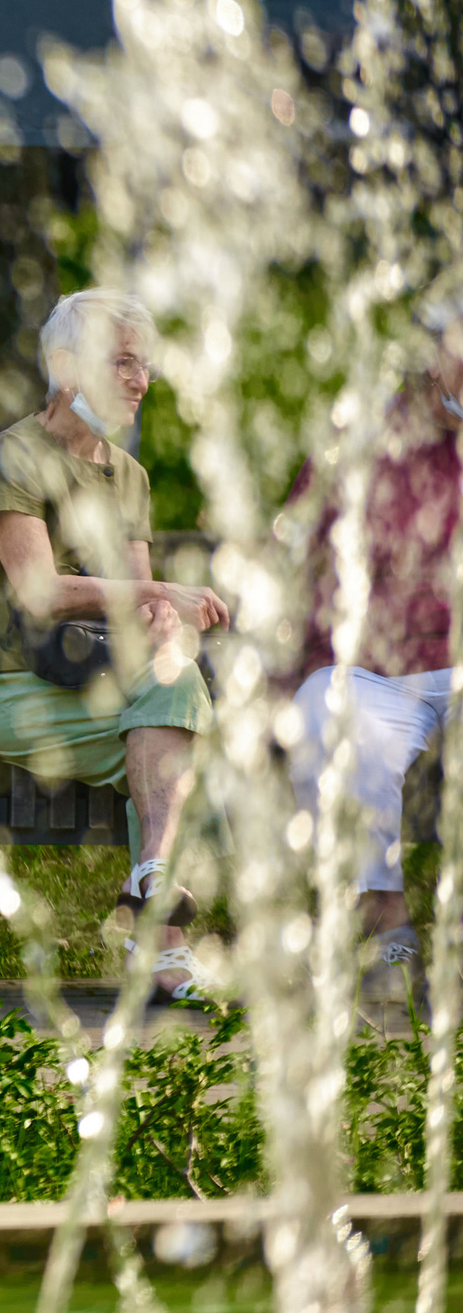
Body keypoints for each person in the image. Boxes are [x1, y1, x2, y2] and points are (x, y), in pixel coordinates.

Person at [0, 289, 231, 999]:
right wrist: (161, 595)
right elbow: (40, 592)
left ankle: (151, 890)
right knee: (182, 727)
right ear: (68, 366)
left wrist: (161, 619)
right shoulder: (13, 456)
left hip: (84, 680)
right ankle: (160, 936)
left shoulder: (128, 476)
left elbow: (135, 604)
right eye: (123, 362)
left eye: (146, 365)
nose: (142, 381)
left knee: (174, 721)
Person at [285, 310, 463, 1001]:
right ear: (429, 357)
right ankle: (383, 927)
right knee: (329, 719)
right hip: (374, 672)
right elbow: (294, 564)